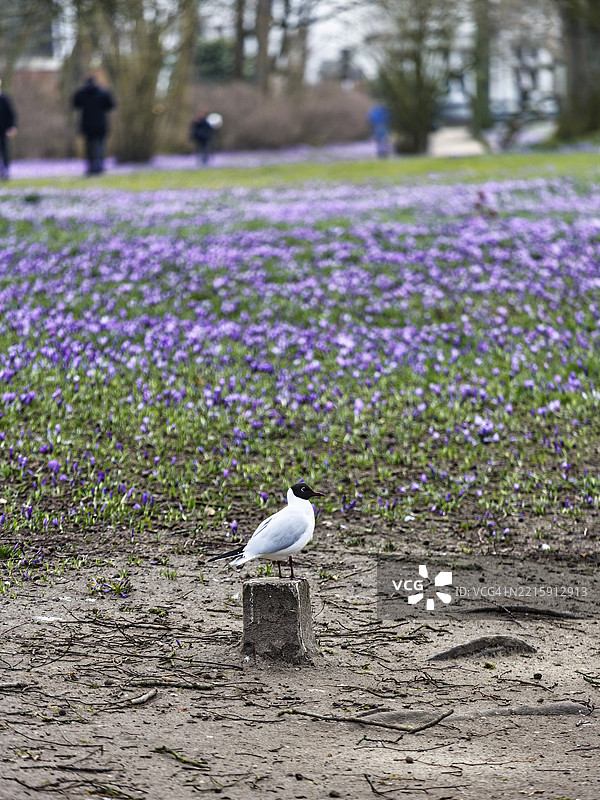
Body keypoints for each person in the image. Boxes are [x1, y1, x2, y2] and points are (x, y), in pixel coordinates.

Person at [73, 75, 115, 175]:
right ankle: (99, 166)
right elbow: (110, 105)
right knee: (100, 146)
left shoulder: (82, 94)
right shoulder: (102, 93)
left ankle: (91, 166)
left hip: (87, 125)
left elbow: (75, 104)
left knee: (89, 147)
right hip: (100, 124)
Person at [0, 79, 17, 180]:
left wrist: (12, 127)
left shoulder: (5, 99)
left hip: (3, 130)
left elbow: (12, 114)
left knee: (5, 150)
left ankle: (5, 171)